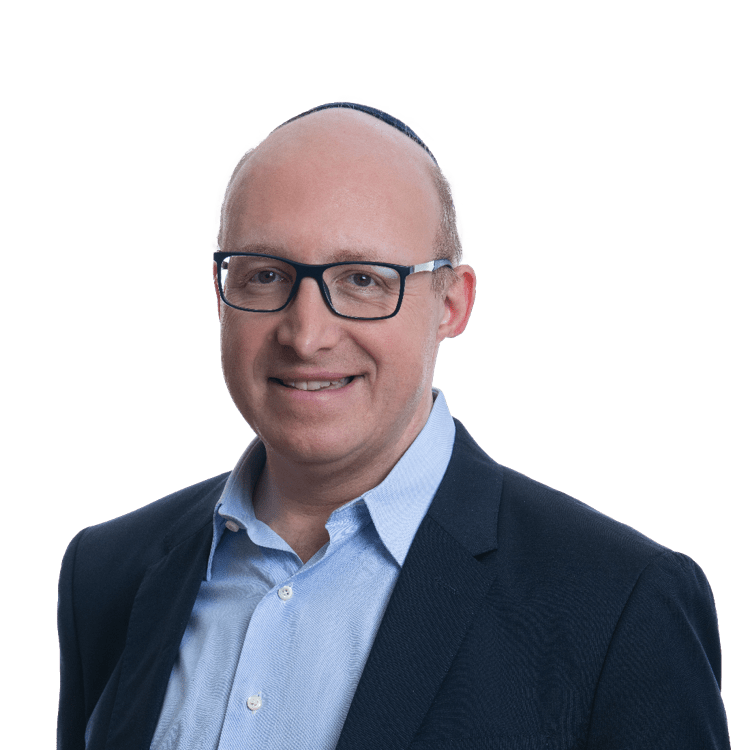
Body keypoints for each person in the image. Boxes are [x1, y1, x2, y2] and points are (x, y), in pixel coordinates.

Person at [57, 100, 731, 750]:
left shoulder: (621, 605)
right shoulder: (108, 573)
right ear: (221, 294)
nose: (307, 335)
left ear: (452, 303)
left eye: (363, 280)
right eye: (265, 275)